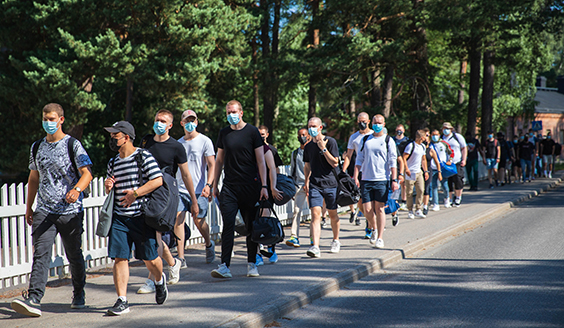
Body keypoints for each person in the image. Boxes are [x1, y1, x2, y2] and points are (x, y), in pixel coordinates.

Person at [11, 104, 92, 317]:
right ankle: (34, 298)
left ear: (61, 120)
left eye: (52, 118)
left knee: (74, 254)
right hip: (44, 211)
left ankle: (79, 292)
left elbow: (87, 174)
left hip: (70, 211)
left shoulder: (73, 145)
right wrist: (29, 206)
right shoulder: (37, 147)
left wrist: (76, 190)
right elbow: (33, 178)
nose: (48, 122)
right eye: (45, 118)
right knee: (41, 254)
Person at [103, 121, 167, 315]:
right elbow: (111, 187)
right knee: (120, 258)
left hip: (141, 216)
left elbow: (158, 180)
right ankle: (122, 300)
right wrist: (108, 185)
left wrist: (136, 194)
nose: (113, 139)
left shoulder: (143, 156)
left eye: (116, 135)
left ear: (127, 137)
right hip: (119, 218)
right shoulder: (113, 162)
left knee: (150, 259)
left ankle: (159, 280)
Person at [135, 110, 199, 294]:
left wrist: (193, 200)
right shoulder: (146, 142)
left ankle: (153, 280)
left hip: (164, 194)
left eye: (163, 121)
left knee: (155, 236)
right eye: (157, 120)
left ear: (170, 125)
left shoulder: (176, 147)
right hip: (145, 192)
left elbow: (185, 174)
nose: (159, 123)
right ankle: (173, 263)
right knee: (151, 236)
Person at [210, 100, 268, 278]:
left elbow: (261, 160)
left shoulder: (252, 132)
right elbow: (219, 160)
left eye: (233, 111)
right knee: (228, 224)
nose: (230, 115)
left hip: (251, 186)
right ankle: (224, 266)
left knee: (251, 226)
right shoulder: (224, 133)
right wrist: (214, 184)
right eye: (228, 112)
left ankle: (251, 263)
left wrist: (264, 186)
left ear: (241, 113)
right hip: (230, 187)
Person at [174, 110, 216, 267]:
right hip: (180, 188)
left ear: (197, 122)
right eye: (187, 120)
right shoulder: (178, 143)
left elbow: (212, 165)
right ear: (182, 123)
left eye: (193, 120)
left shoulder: (205, 141)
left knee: (198, 220)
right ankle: (181, 257)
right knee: (177, 220)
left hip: (199, 189)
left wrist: (209, 185)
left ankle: (208, 244)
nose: (190, 123)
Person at [354, 114, 399, 248]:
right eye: (375, 122)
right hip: (366, 179)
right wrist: (356, 176)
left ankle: (379, 237)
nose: (377, 124)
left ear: (384, 124)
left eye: (379, 122)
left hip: (381, 179)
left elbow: (393, 161)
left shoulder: (388, 140)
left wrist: (394, 179)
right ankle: (374, 228)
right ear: (371, 123)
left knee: (379, 209)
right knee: (366, 209)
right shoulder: (366, 139)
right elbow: (359, 159)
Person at [303, 117, 341, 257]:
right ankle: (315, 246)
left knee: (333, 215)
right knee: (315, 214)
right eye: (309, 126)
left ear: (320, 127)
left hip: (330, 184)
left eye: (314, 126)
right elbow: (307, 165)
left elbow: (335, 163)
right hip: (315, 184)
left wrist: (323, 148)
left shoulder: (330, 142)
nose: (311, 128)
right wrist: (306, 181)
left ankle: (336, 240)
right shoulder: (308, 146)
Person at [342, 112, 374, 235]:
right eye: (360, 121)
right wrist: (343, 171)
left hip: (372, 172)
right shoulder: (354, 137)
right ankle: (369, 219)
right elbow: (349, 155)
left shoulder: (373, 135)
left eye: (364, 121)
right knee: (360, 202)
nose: (362, 123)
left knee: (370, 202)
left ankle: (370, 226)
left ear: (369, 121)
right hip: (359, 173)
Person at [286, 128, 311, 248]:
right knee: (296, 211)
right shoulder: (295, 153)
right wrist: (291, 187)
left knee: (314, 213)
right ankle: (294, 236)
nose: (302, 137)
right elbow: (292, 171)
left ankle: (313, 238)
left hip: (312, 186)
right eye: (300, 135)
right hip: (299, 185)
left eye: (304, 135)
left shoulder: (312, 151)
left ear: (309, 136)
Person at [403, 130, 429, 219]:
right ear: (422, 137)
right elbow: (404, 157)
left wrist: (426, 171)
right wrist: (406, 169)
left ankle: (418, 209)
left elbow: (423, 159)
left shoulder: (422, 146)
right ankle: (410, 210)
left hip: (419, 172)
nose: (426, 138)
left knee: (421, 190)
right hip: (410, 172)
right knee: (409, 192)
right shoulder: (411, 146)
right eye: (425, 136)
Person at [442, 122, 467, 207]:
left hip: (456, 162)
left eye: (447, 128)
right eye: (444, 128)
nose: (446, 130)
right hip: (446, 163)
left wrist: (464, 159)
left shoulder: (457, 137)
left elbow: (464, 148)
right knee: (448, 182)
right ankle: (449, 198)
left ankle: (458, 197)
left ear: (451, 129)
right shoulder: (441, 139)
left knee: (458, 180)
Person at [429, 129, 453, 211]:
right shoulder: (429, 144)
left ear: (439, 135)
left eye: (436, 134)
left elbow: (451, 152)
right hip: (433, 167)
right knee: (434, 186)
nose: (434, 136)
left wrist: (450, 160)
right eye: (433, 134)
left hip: (442, 167)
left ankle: (447, 199)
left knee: (445, 185)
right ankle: (436, 203)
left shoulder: (444, 143)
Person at [421, 129, 440, 215]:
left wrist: (439, 172)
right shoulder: (418, 148)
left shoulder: (431, 150)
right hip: (419, 170)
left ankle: (425, 206)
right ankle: (419, 204)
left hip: (428, 170)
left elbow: (437, 162)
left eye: (427, 137)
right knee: (420, 189)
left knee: (427, 187)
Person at [393, 124, 410, 211]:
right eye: (397, 129)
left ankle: (404, 201)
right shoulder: (392, 140)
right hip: (394, 163)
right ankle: (395, 201)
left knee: (403, 184)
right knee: (395, 183)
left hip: (403, 163)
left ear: (403, 130)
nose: (399, 131)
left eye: (400, 129)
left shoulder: (407, 141)